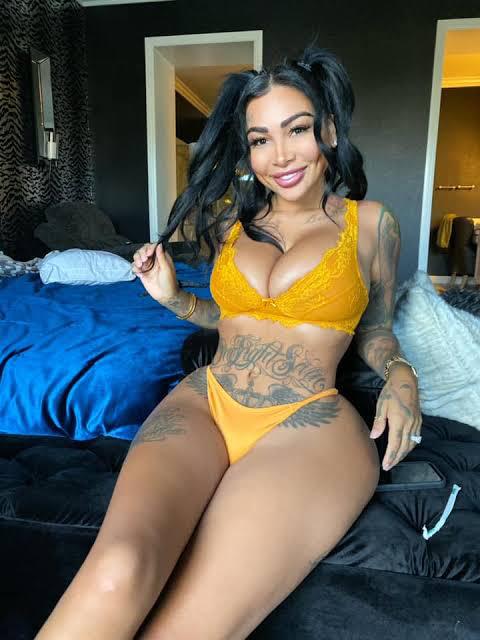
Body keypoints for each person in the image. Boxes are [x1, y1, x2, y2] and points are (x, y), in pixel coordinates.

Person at [36, 44, 422, 640]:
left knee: (190, 627)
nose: (279, 155)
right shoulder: (229, 224)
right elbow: (233, 318)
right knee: (117, 570)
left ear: (328, 129)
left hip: (308, 421)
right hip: (207, 401)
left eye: (296, 129)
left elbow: (374, 330)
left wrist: (400, 373)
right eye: (260, 139)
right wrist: (173, 299)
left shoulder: (371, 223)